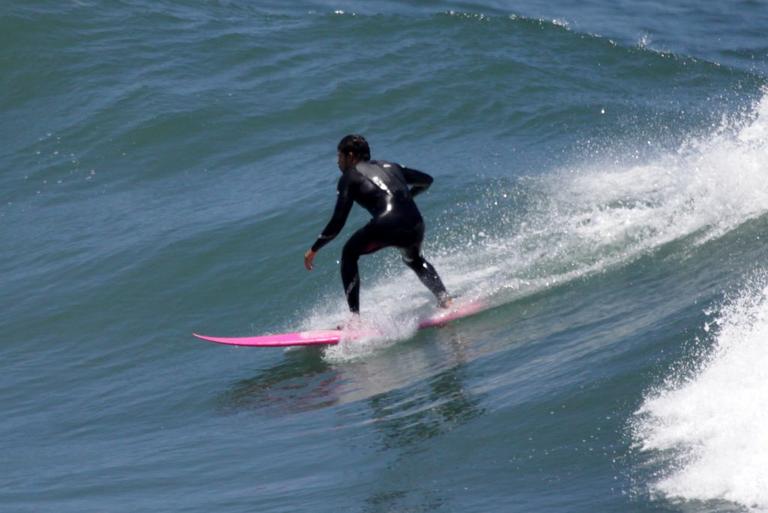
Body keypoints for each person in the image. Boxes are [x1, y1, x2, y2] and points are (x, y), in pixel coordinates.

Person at [304, 134, 451, 315]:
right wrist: (406, 199)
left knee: (349, 253)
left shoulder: (350, 176)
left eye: (339, 157)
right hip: (415, 222)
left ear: (350, 156)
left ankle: (355, 320)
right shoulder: (391, 166)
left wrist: (314, 249)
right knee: (415, 260)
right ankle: (445, 300)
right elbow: (427, 180)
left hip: (387, 224)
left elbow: (338, 221)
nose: (337, 162)